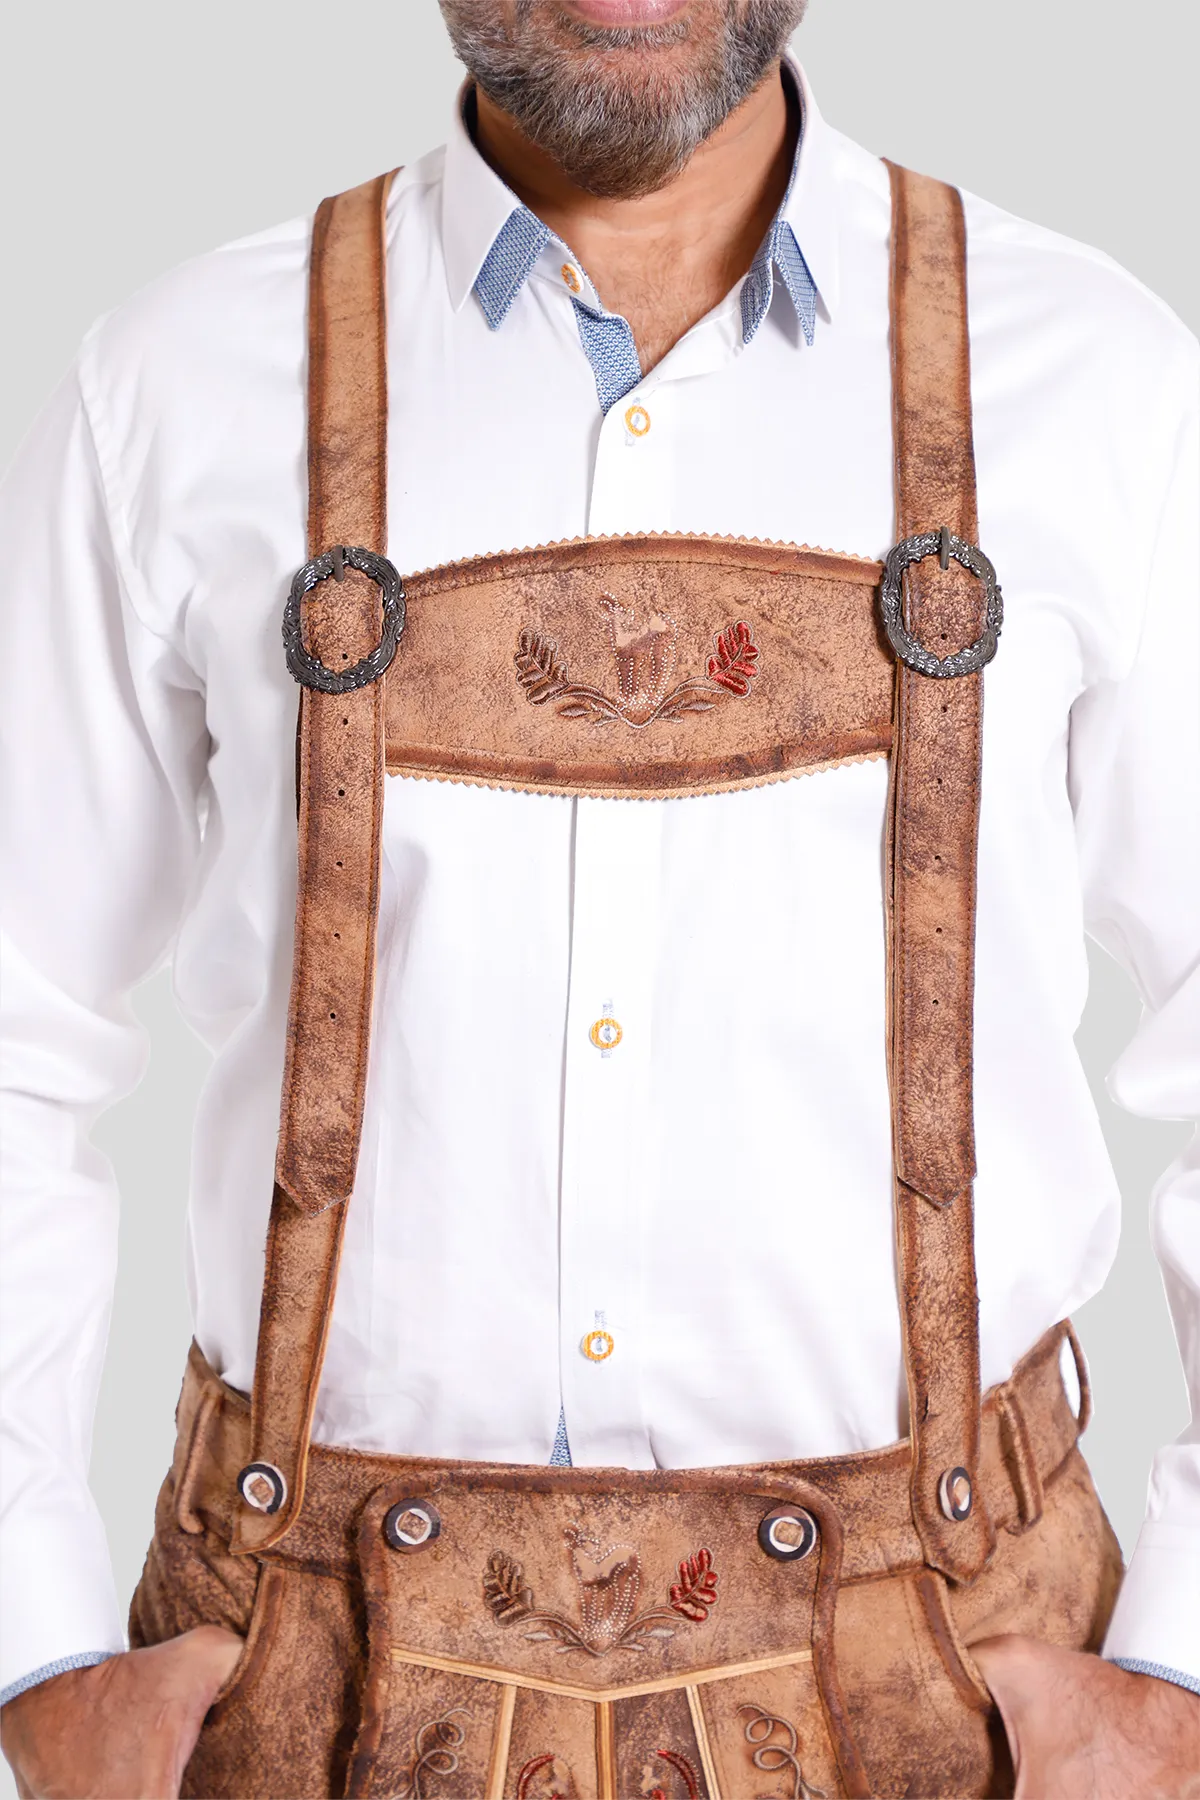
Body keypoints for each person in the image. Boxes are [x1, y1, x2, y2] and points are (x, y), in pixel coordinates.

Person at [1, 0, 1197, 1795]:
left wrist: (1179, 1673)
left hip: (955, 1685)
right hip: (300, 1681)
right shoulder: (170, 384)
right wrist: (35, 1650)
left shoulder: (1100, 377)